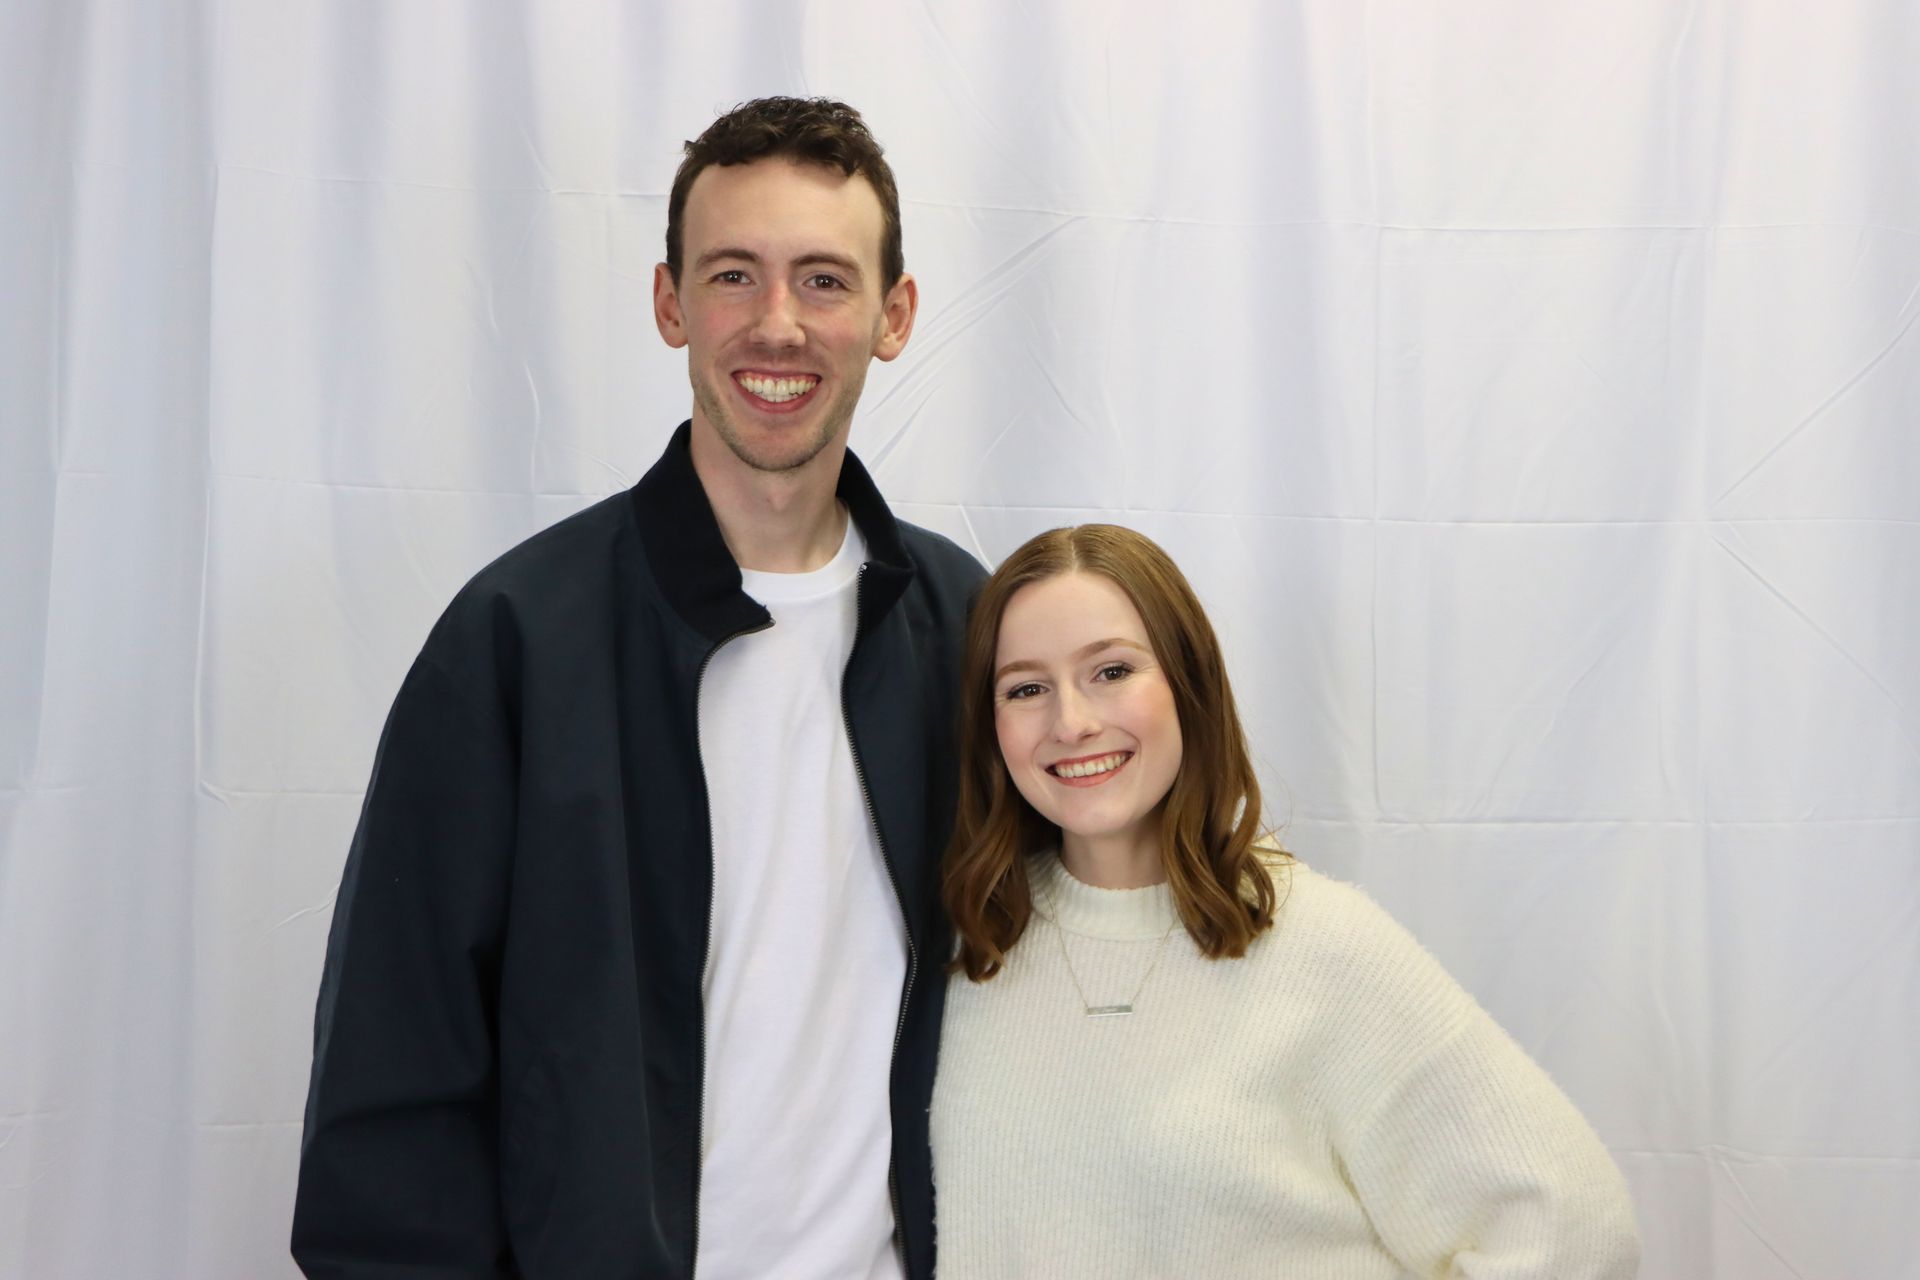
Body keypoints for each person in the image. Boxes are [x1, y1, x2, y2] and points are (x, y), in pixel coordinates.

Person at [291, 97, 984, 1280]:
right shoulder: (516, 638)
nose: (778, 325)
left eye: (824, 280)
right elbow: (391, 1092)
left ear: (893, 315)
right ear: (670, 302)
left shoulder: (965, 624)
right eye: (733, 275)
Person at [932, 524, 1641, 1278]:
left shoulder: (1321, 948)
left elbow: (1574, 1231)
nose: (1071, 721)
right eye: (1027, 688)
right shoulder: (964, 948)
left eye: (1110, 671)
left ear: (1188, 683)